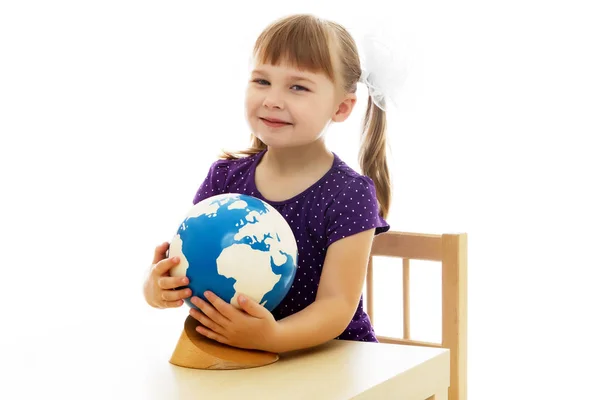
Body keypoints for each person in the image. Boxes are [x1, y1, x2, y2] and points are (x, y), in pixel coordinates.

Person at [143, 13, 404, 354]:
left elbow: (337, 306)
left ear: (341, 107)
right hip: (242, 356)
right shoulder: (224, 178)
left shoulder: (349, 194)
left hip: (334, 357)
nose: (272, 100)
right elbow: (194, 263)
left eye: (298, 86)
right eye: (262, 81)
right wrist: (157, 287)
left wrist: (273, 338)